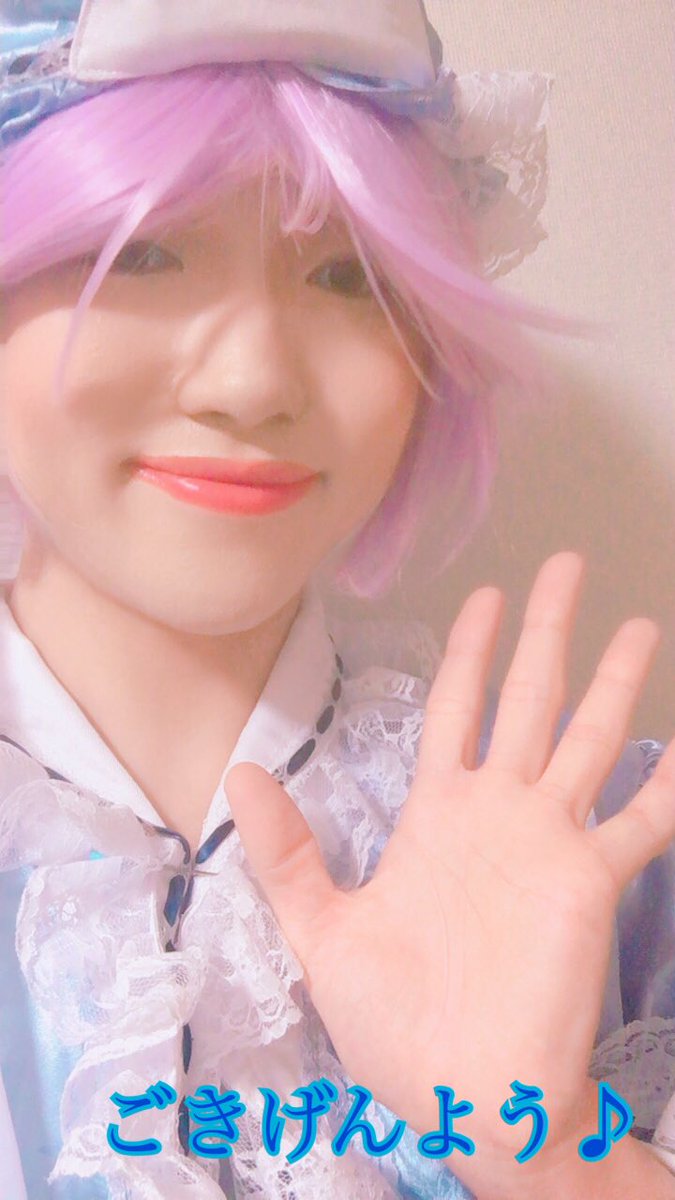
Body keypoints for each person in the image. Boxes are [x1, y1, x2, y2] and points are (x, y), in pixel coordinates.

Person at [1, 3, 674, 1198]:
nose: (253, 379)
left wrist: (556, 1157)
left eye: (346, 274)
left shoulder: (606, 863)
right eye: (140, 254)